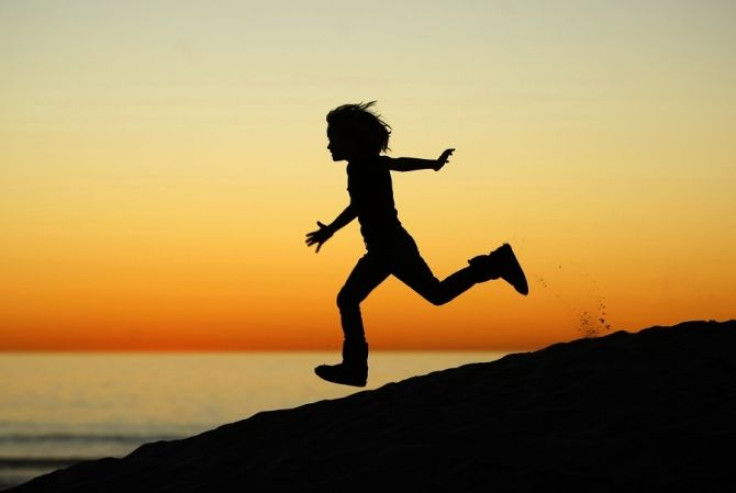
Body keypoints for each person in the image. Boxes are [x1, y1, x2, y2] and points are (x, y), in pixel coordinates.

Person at [306, 101, 527, 387]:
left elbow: (396, 166)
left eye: (332, 140)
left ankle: (355, 368)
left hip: (388, 247)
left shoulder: (365, 164)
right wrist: (331, 231)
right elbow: (360, 203)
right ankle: (492, 264)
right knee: (436, 294)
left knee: (348, 299)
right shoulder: (358, 167)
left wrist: (433, 164)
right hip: (391, 246)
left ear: (352, 141)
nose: (329, 147)